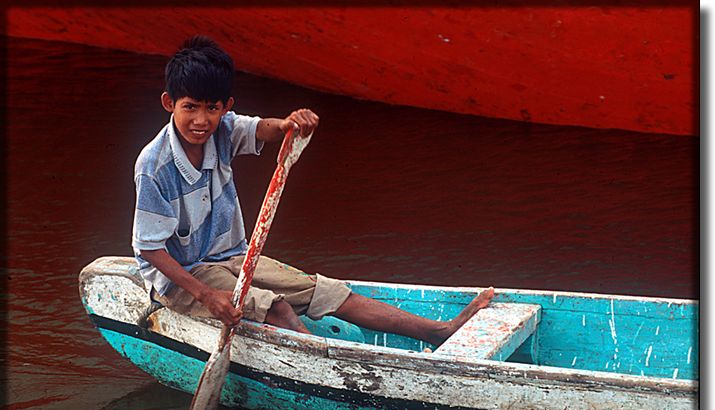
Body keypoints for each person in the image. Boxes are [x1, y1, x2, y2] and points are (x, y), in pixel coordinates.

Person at [131, 35, 493, 349]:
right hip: (185, 277)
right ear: (169, 104)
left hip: (235, 258)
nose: (201, 120)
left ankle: (439, 331)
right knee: (277, 307)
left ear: (226, 106)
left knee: (328, 293)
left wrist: (290, 124)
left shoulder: (223, 129)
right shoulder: (154, 165)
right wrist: (207, 296)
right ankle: (322, 366)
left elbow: (264, 129)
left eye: (212, 108)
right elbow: (149, 248)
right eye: (190, 107)